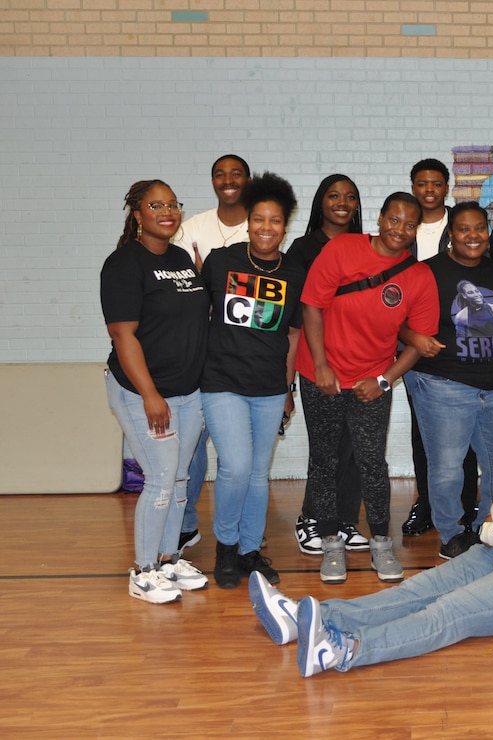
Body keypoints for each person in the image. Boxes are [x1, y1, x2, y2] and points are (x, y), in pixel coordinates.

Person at [248, 398, 493, 677]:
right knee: (415, 592)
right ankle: (300, 619)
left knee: (452, 611)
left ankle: (343, 651)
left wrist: (492, 531)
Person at [295, 192, 438, 584]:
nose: (401, 230)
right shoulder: (342, 249)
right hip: (320, 374)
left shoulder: (419, 277)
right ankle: (331, 544)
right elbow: (311, 305)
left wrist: (384, 381)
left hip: (371, 381)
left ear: (416, 230)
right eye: (394, 220)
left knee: (372, 463)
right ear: (380, 218)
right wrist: (321, 365)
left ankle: (380, 544)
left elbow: (418, 341)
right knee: (323, 461)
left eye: (410, 225)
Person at [101, 179, 209, 604]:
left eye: (173, 204)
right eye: (156, 205)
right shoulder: (124, 264)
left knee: (180, 480)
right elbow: (123, 335)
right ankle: (143, 571)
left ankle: (167, 559)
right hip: (142, 392)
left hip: (188, 390)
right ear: (138, 214)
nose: (167, 211)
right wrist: (150, 394)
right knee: (161, 480)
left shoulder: (182, 258)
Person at [201, 173, 304, 588]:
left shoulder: (293, 272)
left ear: (285, 225)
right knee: (236, 467)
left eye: (275, 221)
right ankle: (225, 548)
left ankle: (248, 551)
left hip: (268, 386)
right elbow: (198, 318)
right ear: (247, 221)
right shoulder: (221, 262)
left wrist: (287, 387)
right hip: (222, 380)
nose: (266, 228)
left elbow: (293, 335)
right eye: (259, 219)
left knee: (259, 472)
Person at [403, 202, 493, 560]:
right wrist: (413, 337)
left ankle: (488, 527)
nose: (473, 236)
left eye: (479, 228)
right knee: (448, 465)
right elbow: (392, 319)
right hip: (443, 382)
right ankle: (451, 533)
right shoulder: (426, 272)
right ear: (450, 235)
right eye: (464, 229)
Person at [285, 174, 371, 558]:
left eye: (349, 197)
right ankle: (312, 519)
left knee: (355, 446)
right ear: (321, 202)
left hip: (360, 358)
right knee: (326, 447)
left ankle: (345, 521)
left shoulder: (367, 246)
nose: (341, 202)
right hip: (319, 359)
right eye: (334, 196)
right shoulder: (304, 248)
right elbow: (303, 310)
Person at [172, 154, 252, 554]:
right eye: (220, 174)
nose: (228, 180)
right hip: (199, 351)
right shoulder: (193, 228)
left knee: (240, 457)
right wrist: (209, 284)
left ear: (248, 180)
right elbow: (182, 294)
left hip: (244, 356)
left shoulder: (261, 225)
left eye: (235, 173)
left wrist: (212, 281)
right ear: (212, 182)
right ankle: (187, 525)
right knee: (192, 445)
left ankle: (239, 529)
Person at [402, 158, 480, 539]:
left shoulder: (464, 224)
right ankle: (426, 502)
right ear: (413, 187)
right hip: (416, 343)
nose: (429, 190)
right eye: (422, 183)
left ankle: (468, 502)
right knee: (424, 432)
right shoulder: (402, 227)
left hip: (461, 342)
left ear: (446, 187)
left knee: (464, 432)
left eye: (436, 183)